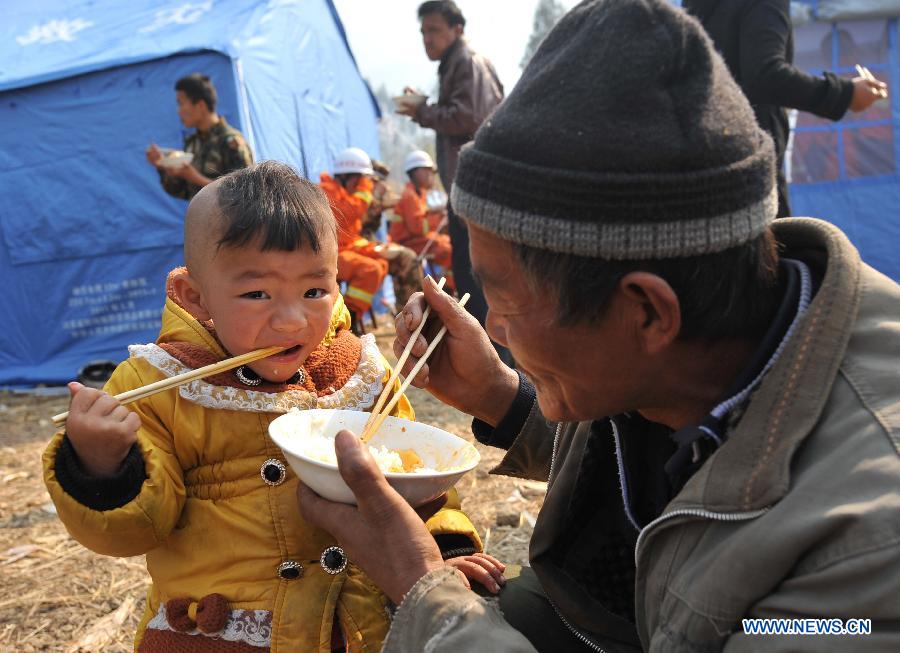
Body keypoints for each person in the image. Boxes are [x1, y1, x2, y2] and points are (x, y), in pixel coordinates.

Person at [297, 1, 900, 651]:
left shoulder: (863, 546)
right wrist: (500, 396)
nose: (493, 326)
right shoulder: (701, 332)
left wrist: (423, 591)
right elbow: (641, 416)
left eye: (504, 299)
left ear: (647, 310)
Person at [42, 161, 494, 652]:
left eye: (314, 290)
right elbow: (132, 531)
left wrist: (444, 550)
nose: (292, 320)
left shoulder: (358, 372)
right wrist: (100, 464)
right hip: (226, 629)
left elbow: (414, 477)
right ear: (197, 298)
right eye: (256, 293)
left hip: (361, 628)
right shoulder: (157, 385)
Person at [682, 0, 888, 218]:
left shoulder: (697, 6)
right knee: (774, 246)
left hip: (700, 160)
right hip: (752, 164)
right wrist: (845, 94)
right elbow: (766, 76)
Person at [398, 1, 508, 361]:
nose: (427, 39)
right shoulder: (456, 64)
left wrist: (423, 112)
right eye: (423, 32)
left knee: (478, 273)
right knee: (471, 270)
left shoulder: (466, 62)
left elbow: (468, 116)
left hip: (478, 187)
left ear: (457, 29)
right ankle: (488, 353)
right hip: (472, 187)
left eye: (434, 30)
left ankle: (492, 358)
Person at [320, 148, 420, 330]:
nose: (364, 185)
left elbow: (351, 234)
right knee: (370, 269)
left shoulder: (346, 193)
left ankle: (412, 319)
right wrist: (366, 189)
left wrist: (374, 249)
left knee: (382, 261)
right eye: (361, 180)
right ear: (346, 176)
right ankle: (345, 322)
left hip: (348, 247)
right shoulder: (327, 191)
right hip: (329, 254)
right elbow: (352, 212)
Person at [145, 73, 253, 201]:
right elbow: (184, 192)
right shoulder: (193, 143)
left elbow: (245, 194)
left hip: (228, 221)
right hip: (200, 220)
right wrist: (163, 167)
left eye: (181, 103)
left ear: (200, 105)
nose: (178, 111)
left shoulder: (231, 142)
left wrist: (194, 177)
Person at [391, 150, 454, 291]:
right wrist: (438, 218)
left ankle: (448, 288)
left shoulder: (420, 194)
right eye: (428, 171)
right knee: (447, 249)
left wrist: (435, 213)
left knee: (449, 242)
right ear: (417, 172)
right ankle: (447, 290)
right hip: (407, 243)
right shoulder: (410, 196)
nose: (431, 176)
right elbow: (418, 227)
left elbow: (422, 218)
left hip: (417, 240)